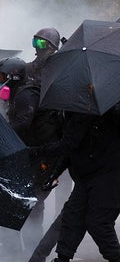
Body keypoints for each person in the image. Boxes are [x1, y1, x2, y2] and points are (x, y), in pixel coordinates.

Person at [0, 57, 63, 260]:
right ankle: (16, 250)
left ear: (13, 77)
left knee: (32, 205)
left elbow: (23, 121)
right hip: (32, 156)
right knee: (17, 201)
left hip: (41, 159)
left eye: (1, 78)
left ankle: (33, 252)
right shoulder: (18, 93)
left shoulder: (26, 94)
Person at [31, 102, 120, 262]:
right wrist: (53, 174)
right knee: (72, 217)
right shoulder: (76, 108)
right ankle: (62, 258)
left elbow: (68, 144)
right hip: (87, 175)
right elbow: (72, 150)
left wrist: (36, 151)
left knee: (98, 222)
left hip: (109, 175)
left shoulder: (88, 108)